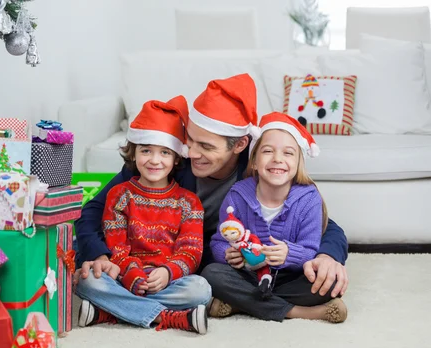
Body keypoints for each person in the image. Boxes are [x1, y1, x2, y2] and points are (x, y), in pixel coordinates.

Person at [74, 73, 349, 320]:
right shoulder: (164, 161)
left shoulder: (257, 170)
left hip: (198, 265)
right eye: (190, 140)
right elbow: (92, 211)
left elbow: (324, 223)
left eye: (205, 146)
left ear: (239, 145)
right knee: (91, 274)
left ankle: (242, 303)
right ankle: (175, 313)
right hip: (161, 262)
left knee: (316, 280)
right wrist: (101, 255)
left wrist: (327, 256)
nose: (191, 153)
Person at [75, 95, 211, 334]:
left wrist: (169, 272)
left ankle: (109, 312)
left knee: (201, 289)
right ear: (133, 153)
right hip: (125, 275)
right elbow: (116, 244)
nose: (155, 160)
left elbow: (191, 249)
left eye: (165, 153)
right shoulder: (119, 195)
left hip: (167, 279)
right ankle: (167, 317)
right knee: (86, 279)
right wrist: (131, 272)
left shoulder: (189, 202)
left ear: (177, 157)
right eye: (146, 150)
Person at [207, 112, 347, 323]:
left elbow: (310, 250)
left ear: (299, 162)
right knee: (211, 274)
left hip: (288, 277)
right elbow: (218, 241)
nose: (277, 159)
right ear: (253, 161)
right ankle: (296, 311)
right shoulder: (237, 196)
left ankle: (240, 303)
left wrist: (289, 255)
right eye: (267, 151)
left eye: (288, 153)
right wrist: (227, 255)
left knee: (328, 282)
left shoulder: (309, 199)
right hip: (250, 276)